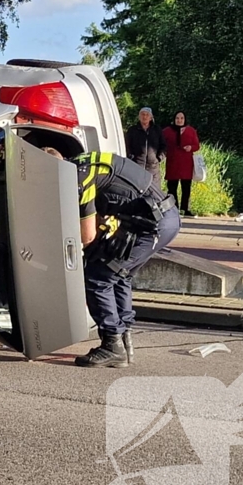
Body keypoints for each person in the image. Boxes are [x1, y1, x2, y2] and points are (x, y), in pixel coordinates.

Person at [44, 148, 181, 368]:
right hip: (161, 218)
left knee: (97, 277)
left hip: (152, 225)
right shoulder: (81, 163)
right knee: (120, 276)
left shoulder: (79, 179)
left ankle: (112, 346)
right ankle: (124, 343)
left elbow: (87, 236)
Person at [162, 111, 200, 217]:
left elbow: (197, 145)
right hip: (172, 163)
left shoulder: (191, 130)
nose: (179, 120)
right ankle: (173, 209)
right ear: (174, 119)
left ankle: (186, 209)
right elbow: (162, 144)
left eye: (182, 118)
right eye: (177, 118)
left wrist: (191, 147)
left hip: (186, 163)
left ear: (185, 119)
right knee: (172, 188)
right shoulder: (167, 131)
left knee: (186, 187)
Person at [125, 107, 166, 190]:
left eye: (147, 115)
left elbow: (163, 146)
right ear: (139, 117)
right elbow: (127, 146)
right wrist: (131, 158)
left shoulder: (157, 130)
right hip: (137, 167)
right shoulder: (132, 130)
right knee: (137, 190)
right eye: (142, 114)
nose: (145, 117)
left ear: (151, 117)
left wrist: (159, 158)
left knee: (154, 191)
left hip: (153, 168)